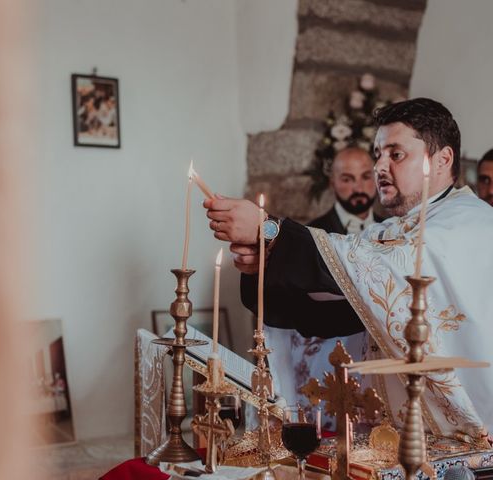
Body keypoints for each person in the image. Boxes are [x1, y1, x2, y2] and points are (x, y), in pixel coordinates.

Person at [204, 98, 493, 443]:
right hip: (402, 440)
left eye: (396, 154)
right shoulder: (399, 228)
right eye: (378, 154)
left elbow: (379, 262)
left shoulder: (467, 222)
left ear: (443, 159)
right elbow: (334, 314)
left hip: (468, 443)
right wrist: (263, 265)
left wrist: (270, 230)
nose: (380, 167)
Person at [289, 147, 383, 428]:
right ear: (332, 182)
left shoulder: (392, 230)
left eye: (366, 177)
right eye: (347, 179)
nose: (359, 187)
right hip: (331, 358)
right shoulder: (311, 235)